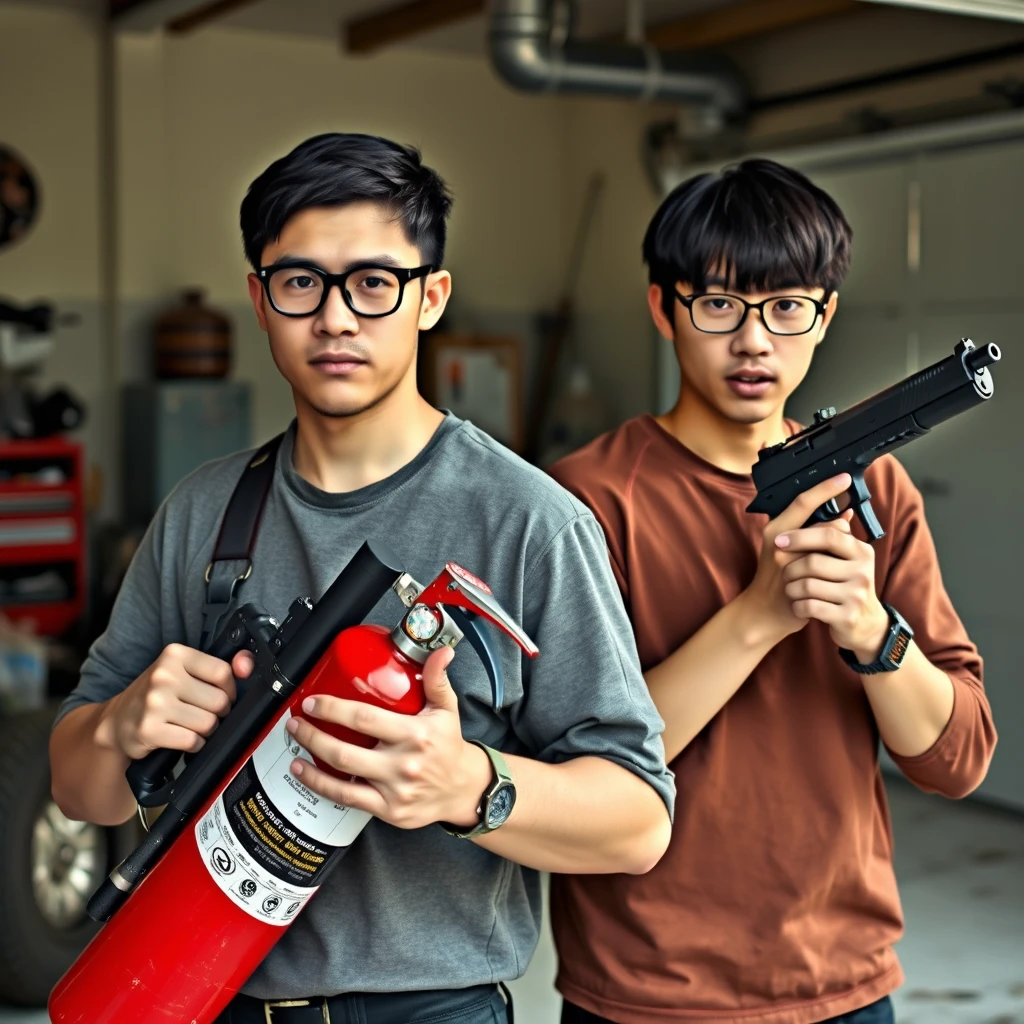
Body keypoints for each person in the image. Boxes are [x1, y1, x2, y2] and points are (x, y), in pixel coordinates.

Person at [49, 133, 674, 1024]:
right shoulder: (203, 512)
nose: (336, 318)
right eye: (300, 281)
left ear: (430, 299)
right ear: (260, 301)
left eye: (374, 283)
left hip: (429, 1009)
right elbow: (80, 790)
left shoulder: (529, 521)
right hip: (203, 996)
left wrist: (468, 786)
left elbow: (640, 821)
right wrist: (118, 726)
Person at [549, 158, 997, 1024]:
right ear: (662, 308)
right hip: (647, 994)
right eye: (719, 305)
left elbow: (956, 758)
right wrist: (756, 617)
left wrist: (871, 629)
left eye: (788, 307)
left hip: (846, 982)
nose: (755, 340)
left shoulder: (879, 491)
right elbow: (578, 773)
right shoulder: (583, 502)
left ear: (823, 317)